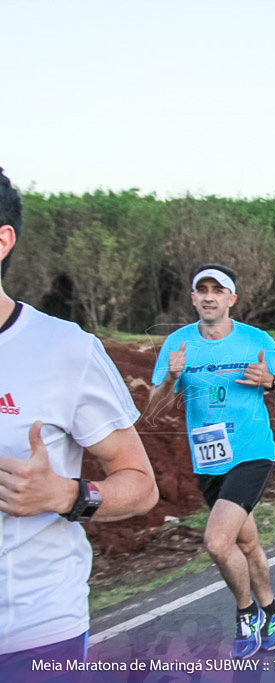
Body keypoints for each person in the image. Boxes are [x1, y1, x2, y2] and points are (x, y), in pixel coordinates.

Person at [0, 167, 158, 674]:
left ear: (3, 240)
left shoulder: (63, 348)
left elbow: (140, 484)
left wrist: (65, 495)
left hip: (30, 634)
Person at [149, 263, 275, 658]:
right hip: (209, 460)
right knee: (245, 540)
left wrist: (272, 381)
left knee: (216, 541)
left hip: (252, 452)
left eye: (217, 289)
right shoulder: (178, 345)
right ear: (193, 298)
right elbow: (154, 410)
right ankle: (272, 608)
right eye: (202, 289)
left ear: (232, 299)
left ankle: (245, 615)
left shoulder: (254, 340)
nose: (209, 295)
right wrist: (167, 379)